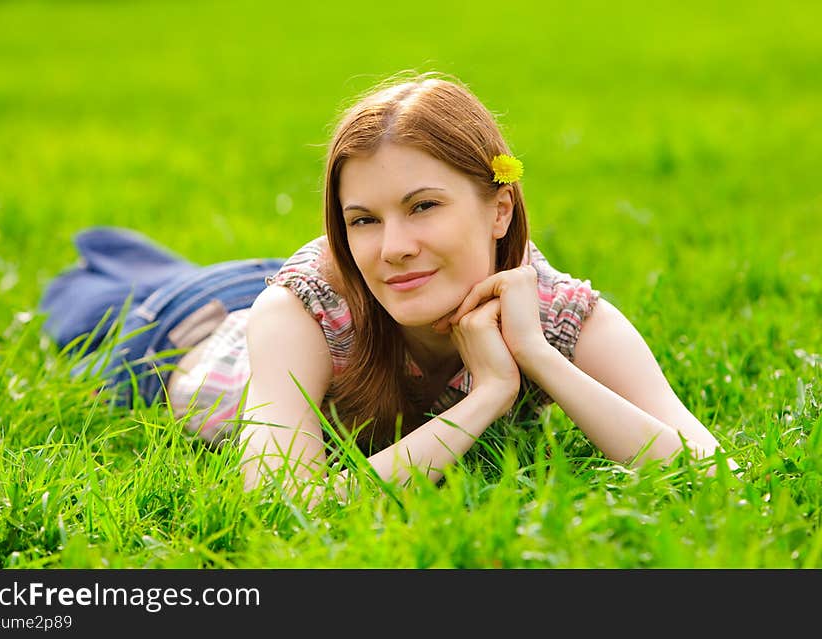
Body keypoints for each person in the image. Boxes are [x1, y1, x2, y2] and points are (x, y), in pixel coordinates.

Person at [40, 72, 731, 499]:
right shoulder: (295, 311)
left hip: (308, 296)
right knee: (70, 297)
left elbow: (708, 471)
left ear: (499, 208)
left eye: (424, 205)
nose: (394, 246)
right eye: (363, 218)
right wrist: (487, 395)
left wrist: (538, 356)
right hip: (181, 328)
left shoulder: (550, 309)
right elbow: (282, 502)